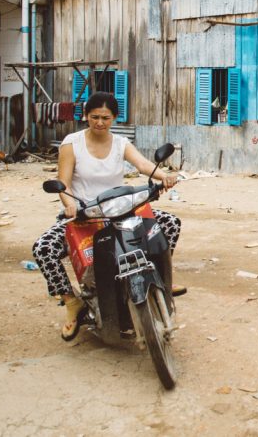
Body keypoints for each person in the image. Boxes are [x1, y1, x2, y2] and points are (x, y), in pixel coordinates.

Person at [32, 92, 181, 340]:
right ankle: (72, 302)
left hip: (120, 211)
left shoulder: (121, 143)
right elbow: (64, 183)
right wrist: (70, 205)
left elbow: (144, 165)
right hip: (84, 213)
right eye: (94, 117)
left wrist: (163, 176)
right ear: (86, 116)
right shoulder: (72, 143)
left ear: (114, 118)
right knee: (43, 249)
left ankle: (161, 277)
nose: (100, 122)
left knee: (170, 224)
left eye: (105, 117)